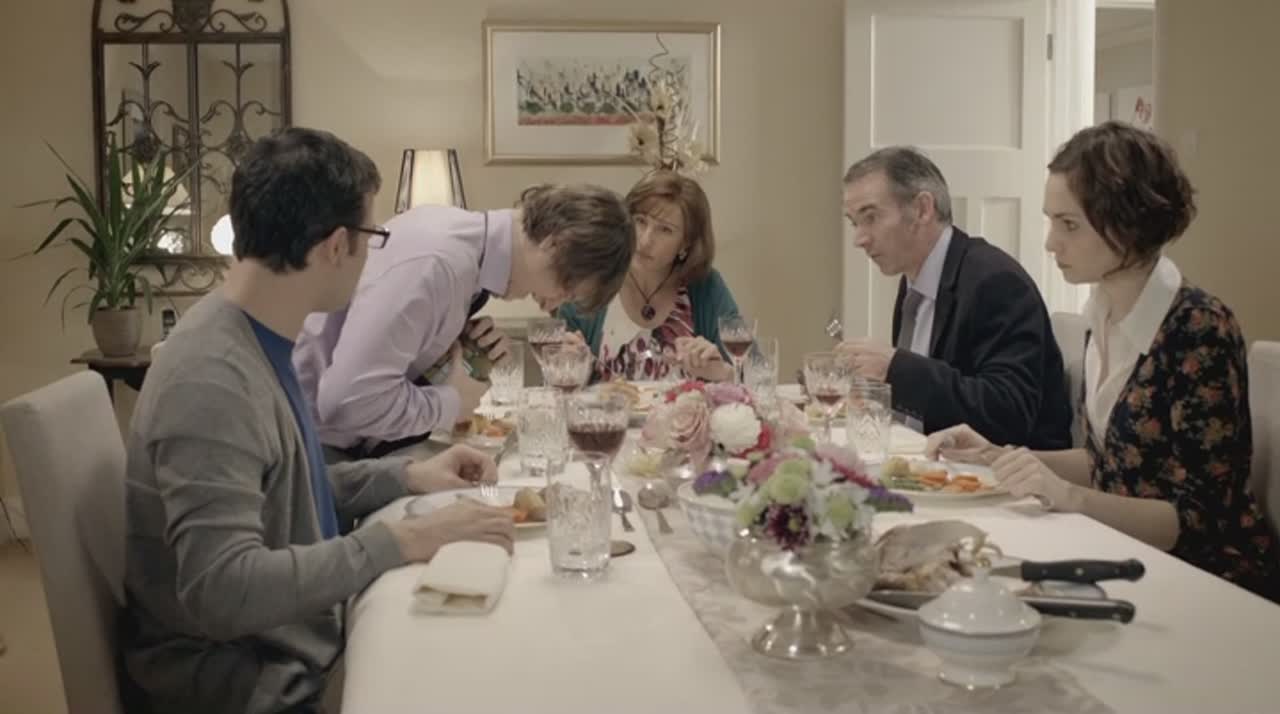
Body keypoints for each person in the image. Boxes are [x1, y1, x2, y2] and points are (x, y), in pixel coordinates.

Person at [120, 127, 517, 714]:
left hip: (286, 647)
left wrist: (405, 477)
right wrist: (401, 540)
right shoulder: (212, 378)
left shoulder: (251, 333)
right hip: (252, 680)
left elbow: (277, 492)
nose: (373, 256)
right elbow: (221, 590)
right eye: (372, 238)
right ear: (336, 246)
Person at [927, 122, 1279, 602]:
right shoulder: (1101, 315)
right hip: (1127, 555)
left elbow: (1201, 521)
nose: (1051, 242)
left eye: (1069, 224)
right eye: (1051, 221)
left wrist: (1069, 498)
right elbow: (1109, 463)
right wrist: (998, 455)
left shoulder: (1199, 329)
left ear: (1127, 223)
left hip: (1211, 584)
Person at [293, 184, 635, 460]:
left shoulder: (461, 248)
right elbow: (347, 403)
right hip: (313, 453)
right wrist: (453, 402)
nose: (553, 305)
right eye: (567, 289)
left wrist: (449, 348)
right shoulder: (438, 264)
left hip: (338, 444)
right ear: (555, 245)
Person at [837, 146, 1072, 449]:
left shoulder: (995, 281)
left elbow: (1008, 413)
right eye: (854, 222)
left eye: (870, 217)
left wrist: (896, 369)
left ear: (922, 209)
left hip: (1007, 472)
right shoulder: (912, 280)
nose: (859, 239)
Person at [557, 171, 740, 383]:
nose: (645, 240)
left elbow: (753, 372)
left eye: (665, 230)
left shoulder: (706, 287)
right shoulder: (591, 278)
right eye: (641, 221)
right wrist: (567, 366)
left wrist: (723, 373)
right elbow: (558, 381)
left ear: (686, 243)